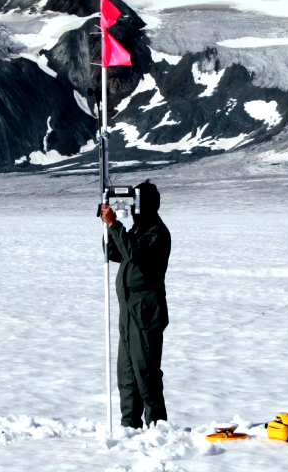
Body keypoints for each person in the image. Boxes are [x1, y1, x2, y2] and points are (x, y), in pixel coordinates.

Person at [100, 180, 171, 429]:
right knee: (127, 374)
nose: (132, 209)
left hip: (146, 311)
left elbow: (132, 252)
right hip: (129, 311)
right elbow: (118, 253)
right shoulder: (138, 230)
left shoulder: (156, 233)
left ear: (149, 203)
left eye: (136, 203)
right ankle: (129, 426)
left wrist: (114, 224)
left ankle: (157, 427)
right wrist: (109, 232)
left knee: (146, 372)